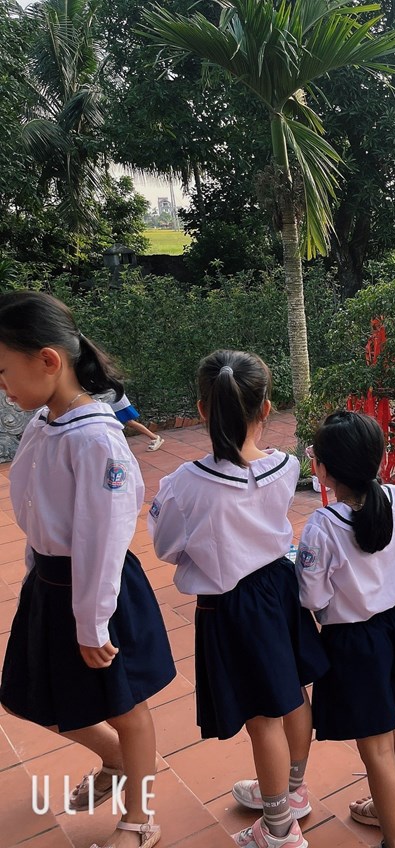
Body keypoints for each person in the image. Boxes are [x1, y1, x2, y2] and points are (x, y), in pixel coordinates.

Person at [0, 292, 174, 848]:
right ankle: (121, 760)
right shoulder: (43, 423)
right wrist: (35, 571)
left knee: (125, 706)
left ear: (48, 360)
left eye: (3, 371)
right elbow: (34, 505)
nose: (2, 386)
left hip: (98, 590)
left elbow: (105, 535)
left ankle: (140, 818)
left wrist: (93, 620)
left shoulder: (97, 439)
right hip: (51, 585)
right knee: (33, 696)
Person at [149, 350, 328, 848]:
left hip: (233, 606)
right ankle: (292, 791)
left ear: (202, 410)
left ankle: (279, 829)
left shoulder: (186, 484)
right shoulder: (285, 466)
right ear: (266, 408)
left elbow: (166, 546)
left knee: (261, 715)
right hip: (280, 587)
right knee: (293, 693)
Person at [295, 411, 395, 848]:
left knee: (375, 747)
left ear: (323, 471)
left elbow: (312, 597)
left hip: (355, 642)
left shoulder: (323, 526)